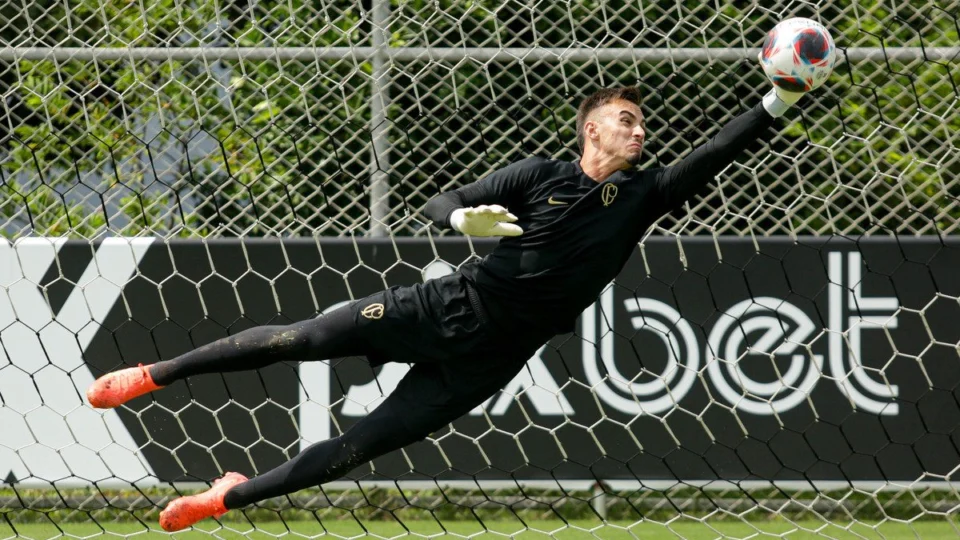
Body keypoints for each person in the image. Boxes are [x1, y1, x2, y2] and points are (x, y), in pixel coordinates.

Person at [86, 75, 803, 531]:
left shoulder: (643, 195)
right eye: (627, 119)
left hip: (487, 361)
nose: (639, 131)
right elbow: (444, 200)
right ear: (592, 128)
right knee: (304, 339)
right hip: (442, 306)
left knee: (357, 448)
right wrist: (464, 220)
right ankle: (154, 375)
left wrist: (782, 98)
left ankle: (221, 500)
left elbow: (718, 151)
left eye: (642, 125)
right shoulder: (539, 175)